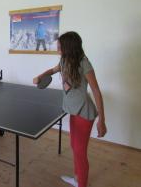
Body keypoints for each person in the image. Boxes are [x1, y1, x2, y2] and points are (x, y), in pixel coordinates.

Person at [33, 31, 107, 187]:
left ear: (69, 46)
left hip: (84, 113)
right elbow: (52, 71)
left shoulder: (84, 62)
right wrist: (40, 76)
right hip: (73, 111)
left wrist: (102, 120)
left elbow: (96, 90)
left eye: (60, 45)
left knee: (80, 153)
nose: (57, 47)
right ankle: (77, 178)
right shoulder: (64, 60)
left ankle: (82, 184)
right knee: (74, 147)